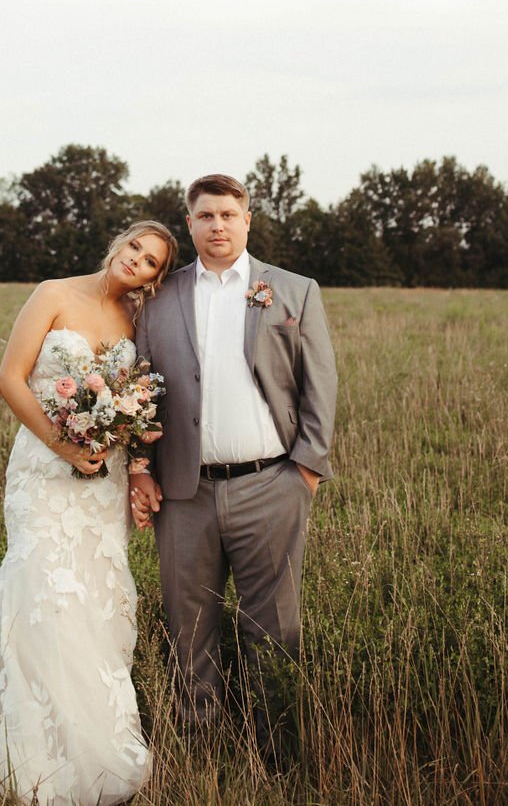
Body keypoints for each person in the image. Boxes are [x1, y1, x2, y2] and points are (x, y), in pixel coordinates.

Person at [0, 219, 178, 806]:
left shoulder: (139, 321)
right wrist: (64, 445)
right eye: (135, 247)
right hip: (44, 473)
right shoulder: (53, 292)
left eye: (151, 261)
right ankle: (24, 754)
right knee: (42, 589)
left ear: (155, 278)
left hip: (102, 482)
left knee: (97, 596)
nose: (137, 261)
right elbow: (10, 380)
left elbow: (139, 401)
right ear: (118, 243)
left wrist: (127, 462)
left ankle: (93, 746)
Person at [130, 174, 337, 750]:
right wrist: (140, 466)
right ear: (189, 224)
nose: (217, 225)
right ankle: (202, 750)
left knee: (272, 627)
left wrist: (306, 471)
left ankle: (277, 753)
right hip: (184, 492)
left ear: (247, 221)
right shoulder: (160, 297)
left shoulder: (293, 291)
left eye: (227, 215)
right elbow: (143, 390)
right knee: (188, 626)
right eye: (205, 216)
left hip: (271, 484)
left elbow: (320, 386)